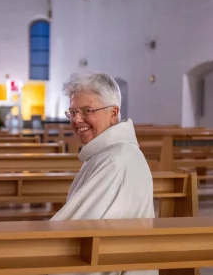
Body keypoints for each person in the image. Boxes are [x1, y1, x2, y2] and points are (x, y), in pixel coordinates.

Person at [50, 72, 157, 275]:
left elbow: (77, 228)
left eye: (86, 110)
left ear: (113, 113)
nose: (76, 119)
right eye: (72, 112)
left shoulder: (116, 160)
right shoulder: (110, 152)